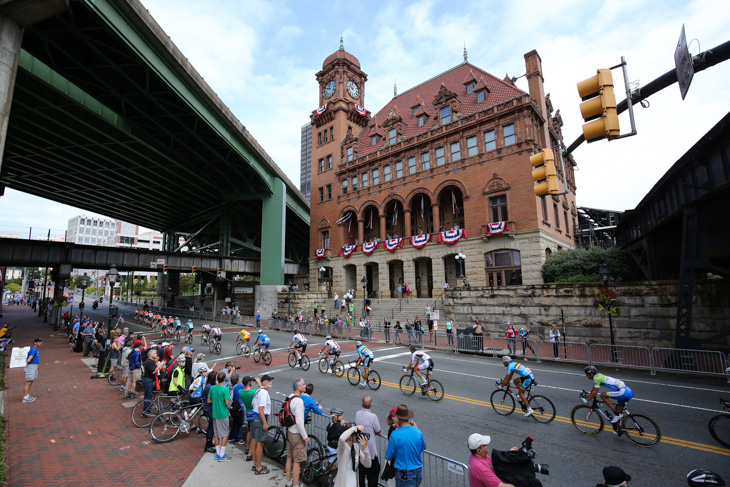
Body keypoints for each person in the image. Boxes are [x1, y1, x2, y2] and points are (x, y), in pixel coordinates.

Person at [385, 404, 426, 487]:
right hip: (418, 472)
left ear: (398, 418)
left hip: (404, 474)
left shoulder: (395, 434)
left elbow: (388, 457)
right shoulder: (417, 431)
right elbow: (424, 447)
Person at [285, 378, 310, 487]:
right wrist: (305, 437)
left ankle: (288, 482)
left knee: (289, 457)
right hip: (296, 434)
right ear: (298, 387)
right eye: (303, 385)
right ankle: (295, 485)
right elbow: (299, 422)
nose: (305, 386)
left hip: (289, 431)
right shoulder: (299, 401)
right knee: (297, 461)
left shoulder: (290, 397)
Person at [355, 396, 382, 487]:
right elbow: (378, 431)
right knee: (373, 476)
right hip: (370, 453)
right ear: (371, 405)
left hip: (359, 451)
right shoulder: (373, 416)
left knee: (361, 476)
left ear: (362, 404)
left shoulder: (357, 414)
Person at [250, 374, 274, 475]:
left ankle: (256, 464)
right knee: (260, 444)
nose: (271, 382)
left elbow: (252, 404)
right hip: (260, 419)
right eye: (269, 381)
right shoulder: (263, 392)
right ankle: (259, 467)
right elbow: (261, 409)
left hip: (254, 418)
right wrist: (265, 423)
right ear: (264, 382)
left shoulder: (258, 391)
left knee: (255, 441)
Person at [208, 371, 231, 461]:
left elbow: (209, 400)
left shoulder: (213, 388)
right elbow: (227, 402)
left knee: (216, 433)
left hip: (215, 413)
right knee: (225, 433)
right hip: (223, 413)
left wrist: (216, 401)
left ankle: (218, 453)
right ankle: (222, 454)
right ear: (224, 379)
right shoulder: (225, 389)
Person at [142, 348, 162, 416]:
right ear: (150, 355)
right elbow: (153, 371)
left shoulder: (152, 361)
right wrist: (159, 366)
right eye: (154, 353)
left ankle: (147, 410)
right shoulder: (149, 362)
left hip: (150, 380)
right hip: (148, 380)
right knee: (148, 396)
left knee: (149, 395)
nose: (156, 354)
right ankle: (146, 411)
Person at [23, 338, 43, 403]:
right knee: (28, 382)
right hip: (31, 366)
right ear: (35, 343)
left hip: (34, 366)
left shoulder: (35, 349)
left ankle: (27, 395)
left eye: (40, 342)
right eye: (39, 342)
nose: (40, 343)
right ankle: (25, 397)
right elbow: (29, 359)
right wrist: (27, 360)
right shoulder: (34, 350)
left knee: (31, 381)